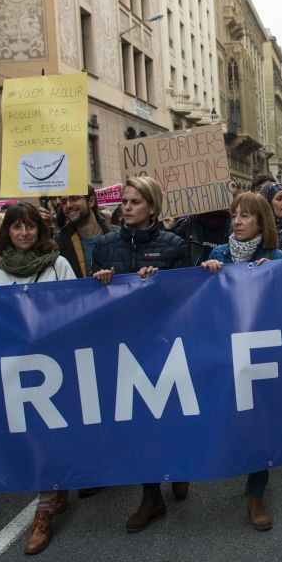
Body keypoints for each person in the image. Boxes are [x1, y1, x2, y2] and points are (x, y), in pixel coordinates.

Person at [0, 203, 77, 553]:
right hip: (21, 367)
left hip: (57, 363)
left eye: (30, 227)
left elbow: (77, 308)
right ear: (7, 232)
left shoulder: (58, 264)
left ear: (40, 232)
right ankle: (53, 493)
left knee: (55, 430)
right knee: (36, 433)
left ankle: (43, 512)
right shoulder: (0, 271)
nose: (24, 233)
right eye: (16, 227)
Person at [89, 177, 190, 533]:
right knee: (139, 418)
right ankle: (151, 496)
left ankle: (179, 465)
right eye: (124, 201)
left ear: (151, 206)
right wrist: (100, 281)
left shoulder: (174, 244)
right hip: (123, 343)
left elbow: (185, 297)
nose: (126, 207)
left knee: (169, 412)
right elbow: (92, 298)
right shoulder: (103, 247)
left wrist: (159, 282)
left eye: (134, 202)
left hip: (163, 342)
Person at [201, 193, 282, 530]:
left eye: (246, 216)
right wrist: (206, 273)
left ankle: (256, 492)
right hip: (226, 349)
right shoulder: (219, 254)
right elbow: (201, 301)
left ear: (261, 222)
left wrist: (280, 274)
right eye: (234, 215)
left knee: (257, 422)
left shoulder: (277, 257)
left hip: (263, 353)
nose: (237, 221)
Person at [57, 186, 117, 278]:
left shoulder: (118, 235)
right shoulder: (61, 241)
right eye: (64, 201)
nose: (68, 205)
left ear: (91, 201)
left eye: (74, 198)